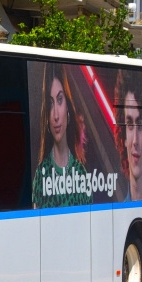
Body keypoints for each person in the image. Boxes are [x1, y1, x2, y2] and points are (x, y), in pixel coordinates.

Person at [31, 64, 91, 208]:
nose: (56, 115)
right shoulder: (41, 176)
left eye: (59, 100)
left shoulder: (81, 173)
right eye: (51, 103)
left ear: (67, 107)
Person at [113, 69, 142, 202]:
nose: (135, 141)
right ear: (124, 138)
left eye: (140, 125)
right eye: (130, 124)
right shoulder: (122, 206)